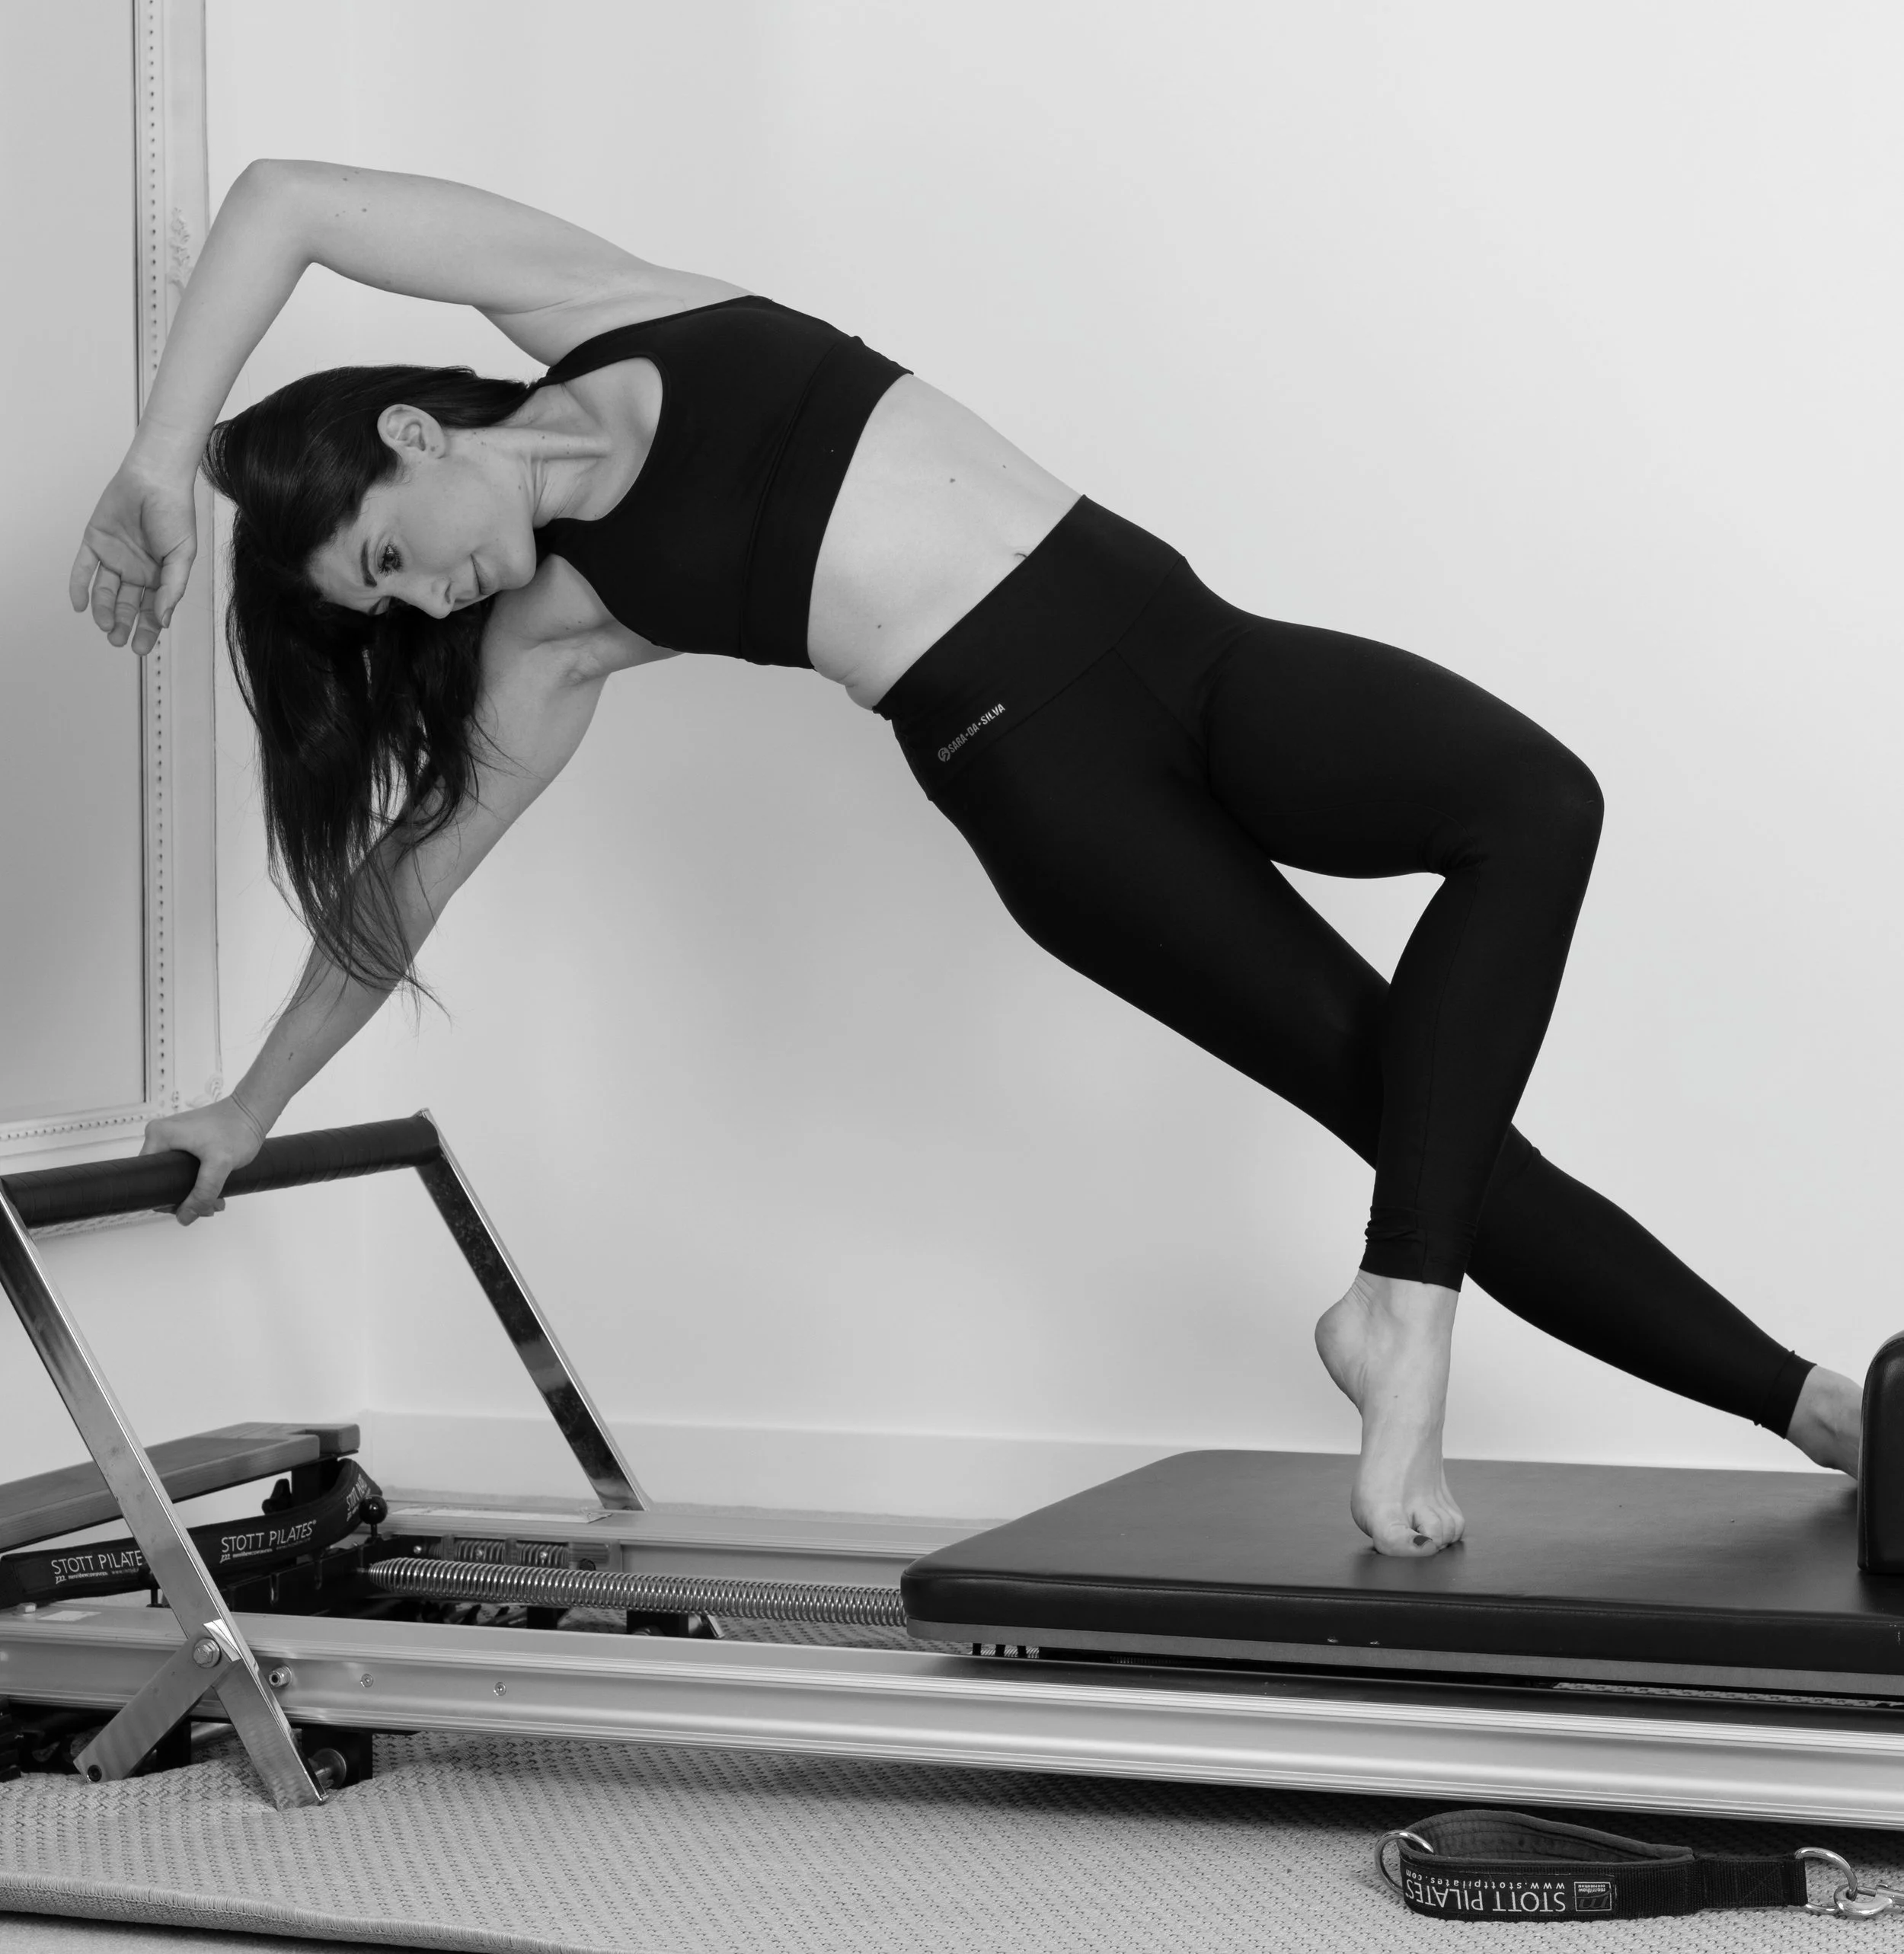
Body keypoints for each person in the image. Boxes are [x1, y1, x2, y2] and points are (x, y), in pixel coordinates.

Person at [69, 161, 1863, 1556]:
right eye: (384, 608)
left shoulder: (618, 310)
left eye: (386, 558)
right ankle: (1794, 1402)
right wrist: (251, 1103)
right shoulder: (559, 636)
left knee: (1530, 812)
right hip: (1056, 794)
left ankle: (1438, 1313)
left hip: (1195, 653)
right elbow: (406, 884)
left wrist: (168, 450)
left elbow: (287, 200)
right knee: (1405, 1103)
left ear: (410, 437)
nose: (422, 602)